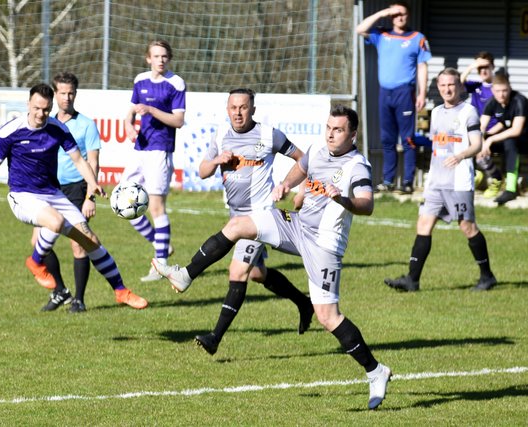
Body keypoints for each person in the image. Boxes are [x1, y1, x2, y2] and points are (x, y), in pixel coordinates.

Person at [153, 105, 392, 410]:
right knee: (238, 224)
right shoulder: (319, 147)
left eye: (339, 130)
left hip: (324, 245)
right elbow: (303, 166)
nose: (331, 134)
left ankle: (375, 371)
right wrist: (287, 184)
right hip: (297, 226)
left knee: (327, 317)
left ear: (353, 134)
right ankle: (185, 274)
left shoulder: (357, 166)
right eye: (329, 127)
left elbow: (367, 204)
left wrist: (341, 198)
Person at [0, 83, 148, 310]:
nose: (41, 114)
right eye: (37, 108)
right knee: (57, 221)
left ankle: (121, 291)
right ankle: (35, 261)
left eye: (46, 109)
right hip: (22, 196)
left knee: (91, 241)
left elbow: (79, 160)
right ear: (28, 105)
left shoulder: (57, 128)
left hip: (53, 193)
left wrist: (92, 184)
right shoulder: (10, 131)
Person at [189, 88, 313, 355]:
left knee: (237, 273)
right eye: (233, 107)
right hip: (237, 216)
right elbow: (201, 171)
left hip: (260, 215)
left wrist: (297, 187)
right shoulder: (221, 137)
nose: (238, 112)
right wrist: (217, 161)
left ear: (253, 109)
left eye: (243, 107)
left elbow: (303, 159)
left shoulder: (269, 135)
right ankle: (304, 303)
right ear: (227, 109)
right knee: (257, 273)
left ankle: (214, 338)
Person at [28, 72, 145, 312]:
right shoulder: (46, 123)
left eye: (71, 93)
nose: (67, 98)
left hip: (76, 187)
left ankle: (79, 299)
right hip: (48, 188)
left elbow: (92, 161)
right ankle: (60, 290)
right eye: (62, 93)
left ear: (75, 94)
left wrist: (90, 196)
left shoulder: (85, 125)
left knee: (79, 243)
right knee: (37, 241)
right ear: (54, 95)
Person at [384, 68, 497, 292]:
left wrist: (461, 155)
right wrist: (419, 142)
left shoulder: (469, 112)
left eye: (451, 85)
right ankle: (412, 280)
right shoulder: (435, 112)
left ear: (460, 87)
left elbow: (477, 144)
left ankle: (487, 276)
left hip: (459, 182)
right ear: (438, 87)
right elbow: (438, 144)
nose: (447, 89)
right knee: (424, 224)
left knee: (467, 226)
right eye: (443, 85)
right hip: (436, 181)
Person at [123, 40, 186, 282]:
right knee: (123, 201)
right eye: (156, 56)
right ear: (148, 58)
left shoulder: (176, 83)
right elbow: (129, 114)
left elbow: (178, 121)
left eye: (164, 56)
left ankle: (161, 266)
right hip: (140, 149)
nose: (160, 60)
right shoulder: (140, 80)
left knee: (156, 207)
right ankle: (161, 245)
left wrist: (151, 110)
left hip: (161, 151)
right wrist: (129, 127)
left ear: (168, 58)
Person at [356, 1, 431, 194]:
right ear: (391, 16)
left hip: (405, 92)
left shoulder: (417, 38)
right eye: (396, 14)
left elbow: (423, 66)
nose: (400, 17)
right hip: (385, 93)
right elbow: (359, 29)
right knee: (387, 139)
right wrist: (383, 12)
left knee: (408, 140)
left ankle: (407, 182)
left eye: (403, 14)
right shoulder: (382, 34)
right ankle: (388, 181)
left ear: (409, 16)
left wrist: (422, 93)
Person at [478, 74, 528, 205]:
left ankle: (511, 190)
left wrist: (490, 139)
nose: (502, 94)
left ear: (510, 88)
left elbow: (516, 130)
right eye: (498, 91)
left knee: (509, 141)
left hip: (524, 140)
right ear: (493, 90)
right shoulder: (492, 102)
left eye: (505, 90)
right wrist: (483, 139)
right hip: (509, 139)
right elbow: (481, 126)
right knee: (477, 142)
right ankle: (493, 177)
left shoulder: (519, 100)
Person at [460, 51, 503, 197]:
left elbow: (503, 121)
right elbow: (458, 84)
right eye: (480, 68)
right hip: (476, 131)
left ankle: (496, 178)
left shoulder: (498, 89)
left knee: (479, 149)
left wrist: (486, 136)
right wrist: (472, 66)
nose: (483, 71)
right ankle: (474, 174)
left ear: (492, 67)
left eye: (486, 66)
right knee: (457, 143)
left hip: (493, 133)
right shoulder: (476, 86)